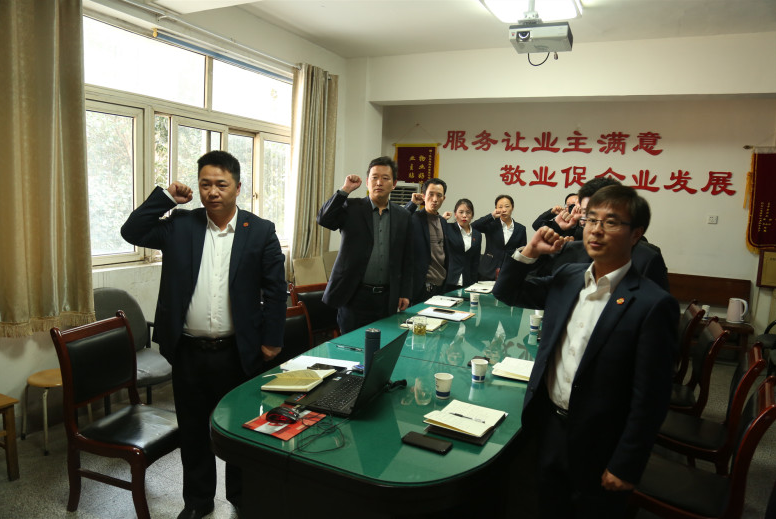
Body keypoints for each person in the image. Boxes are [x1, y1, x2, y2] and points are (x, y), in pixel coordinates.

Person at [493, 184, 678, 518]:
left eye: (611, 222)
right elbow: (507, 292)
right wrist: (530, 251)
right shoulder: (568, 276)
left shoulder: (652, 303)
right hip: (549, 426)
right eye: (591, 219)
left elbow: (651, 396)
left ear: (636, 234)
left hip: (601, 442)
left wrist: (626, 463)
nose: (596, 229)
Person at [121, 150, 286, 519]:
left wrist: (272, 339)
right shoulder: (181, 225)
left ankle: (242, 497)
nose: (213, 191)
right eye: (205, 184)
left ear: (238, 187)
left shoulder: (260, 231)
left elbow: (276, 290)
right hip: (189, 352)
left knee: (242, 428)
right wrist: (166, 197)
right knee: (193, 431)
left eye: (221, 184)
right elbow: (132, 231)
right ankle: (198, 501)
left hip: (238, 352)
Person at [317, 156, 413, 334]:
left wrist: (405, 292)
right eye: (374, 177)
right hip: (354, 296)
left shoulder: (403, 215)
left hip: (387, 298)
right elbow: (324, 219)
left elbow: (407, 258)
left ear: (394, 184)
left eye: (385, 178)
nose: (379, 182)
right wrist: (345, 190)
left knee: (384, 344)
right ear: (368, 181)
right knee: (352, 346)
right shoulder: (351, 207)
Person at [534, 177, 670, 290]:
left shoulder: (646, 257)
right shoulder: (571, 247)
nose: (595, 229)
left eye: (609, 221)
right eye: (588, 215)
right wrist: (555, 231)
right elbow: (534, 285)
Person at [406, 178, 449, 304]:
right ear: (423, 196)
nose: (435, 199)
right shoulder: (414, 218)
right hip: (420, 287)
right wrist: (412, 204)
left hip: (440, 286)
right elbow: (398, 221)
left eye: (439, 195)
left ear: (444, 198)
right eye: (431, 194)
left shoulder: (443, 222)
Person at [471, 194, 527, 280]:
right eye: (500, 207)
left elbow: (522, 252)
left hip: (509, 272)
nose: (504, 210)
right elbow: (472, 227)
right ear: (496, 209)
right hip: (488, 270)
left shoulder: (521, 229)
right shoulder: (491, 224)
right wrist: (491, 216)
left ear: (512, 207)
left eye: (507, 206)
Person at [443, 198, 482, 293]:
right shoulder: (448, 228)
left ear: (472, 215)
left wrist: (474, 282)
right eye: (461, 212)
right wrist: (442, 220)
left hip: (468, 280)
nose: (464, 216)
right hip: (448, 279)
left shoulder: (477, 234)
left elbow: (475, 261)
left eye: (468, 212)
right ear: (455, 214)